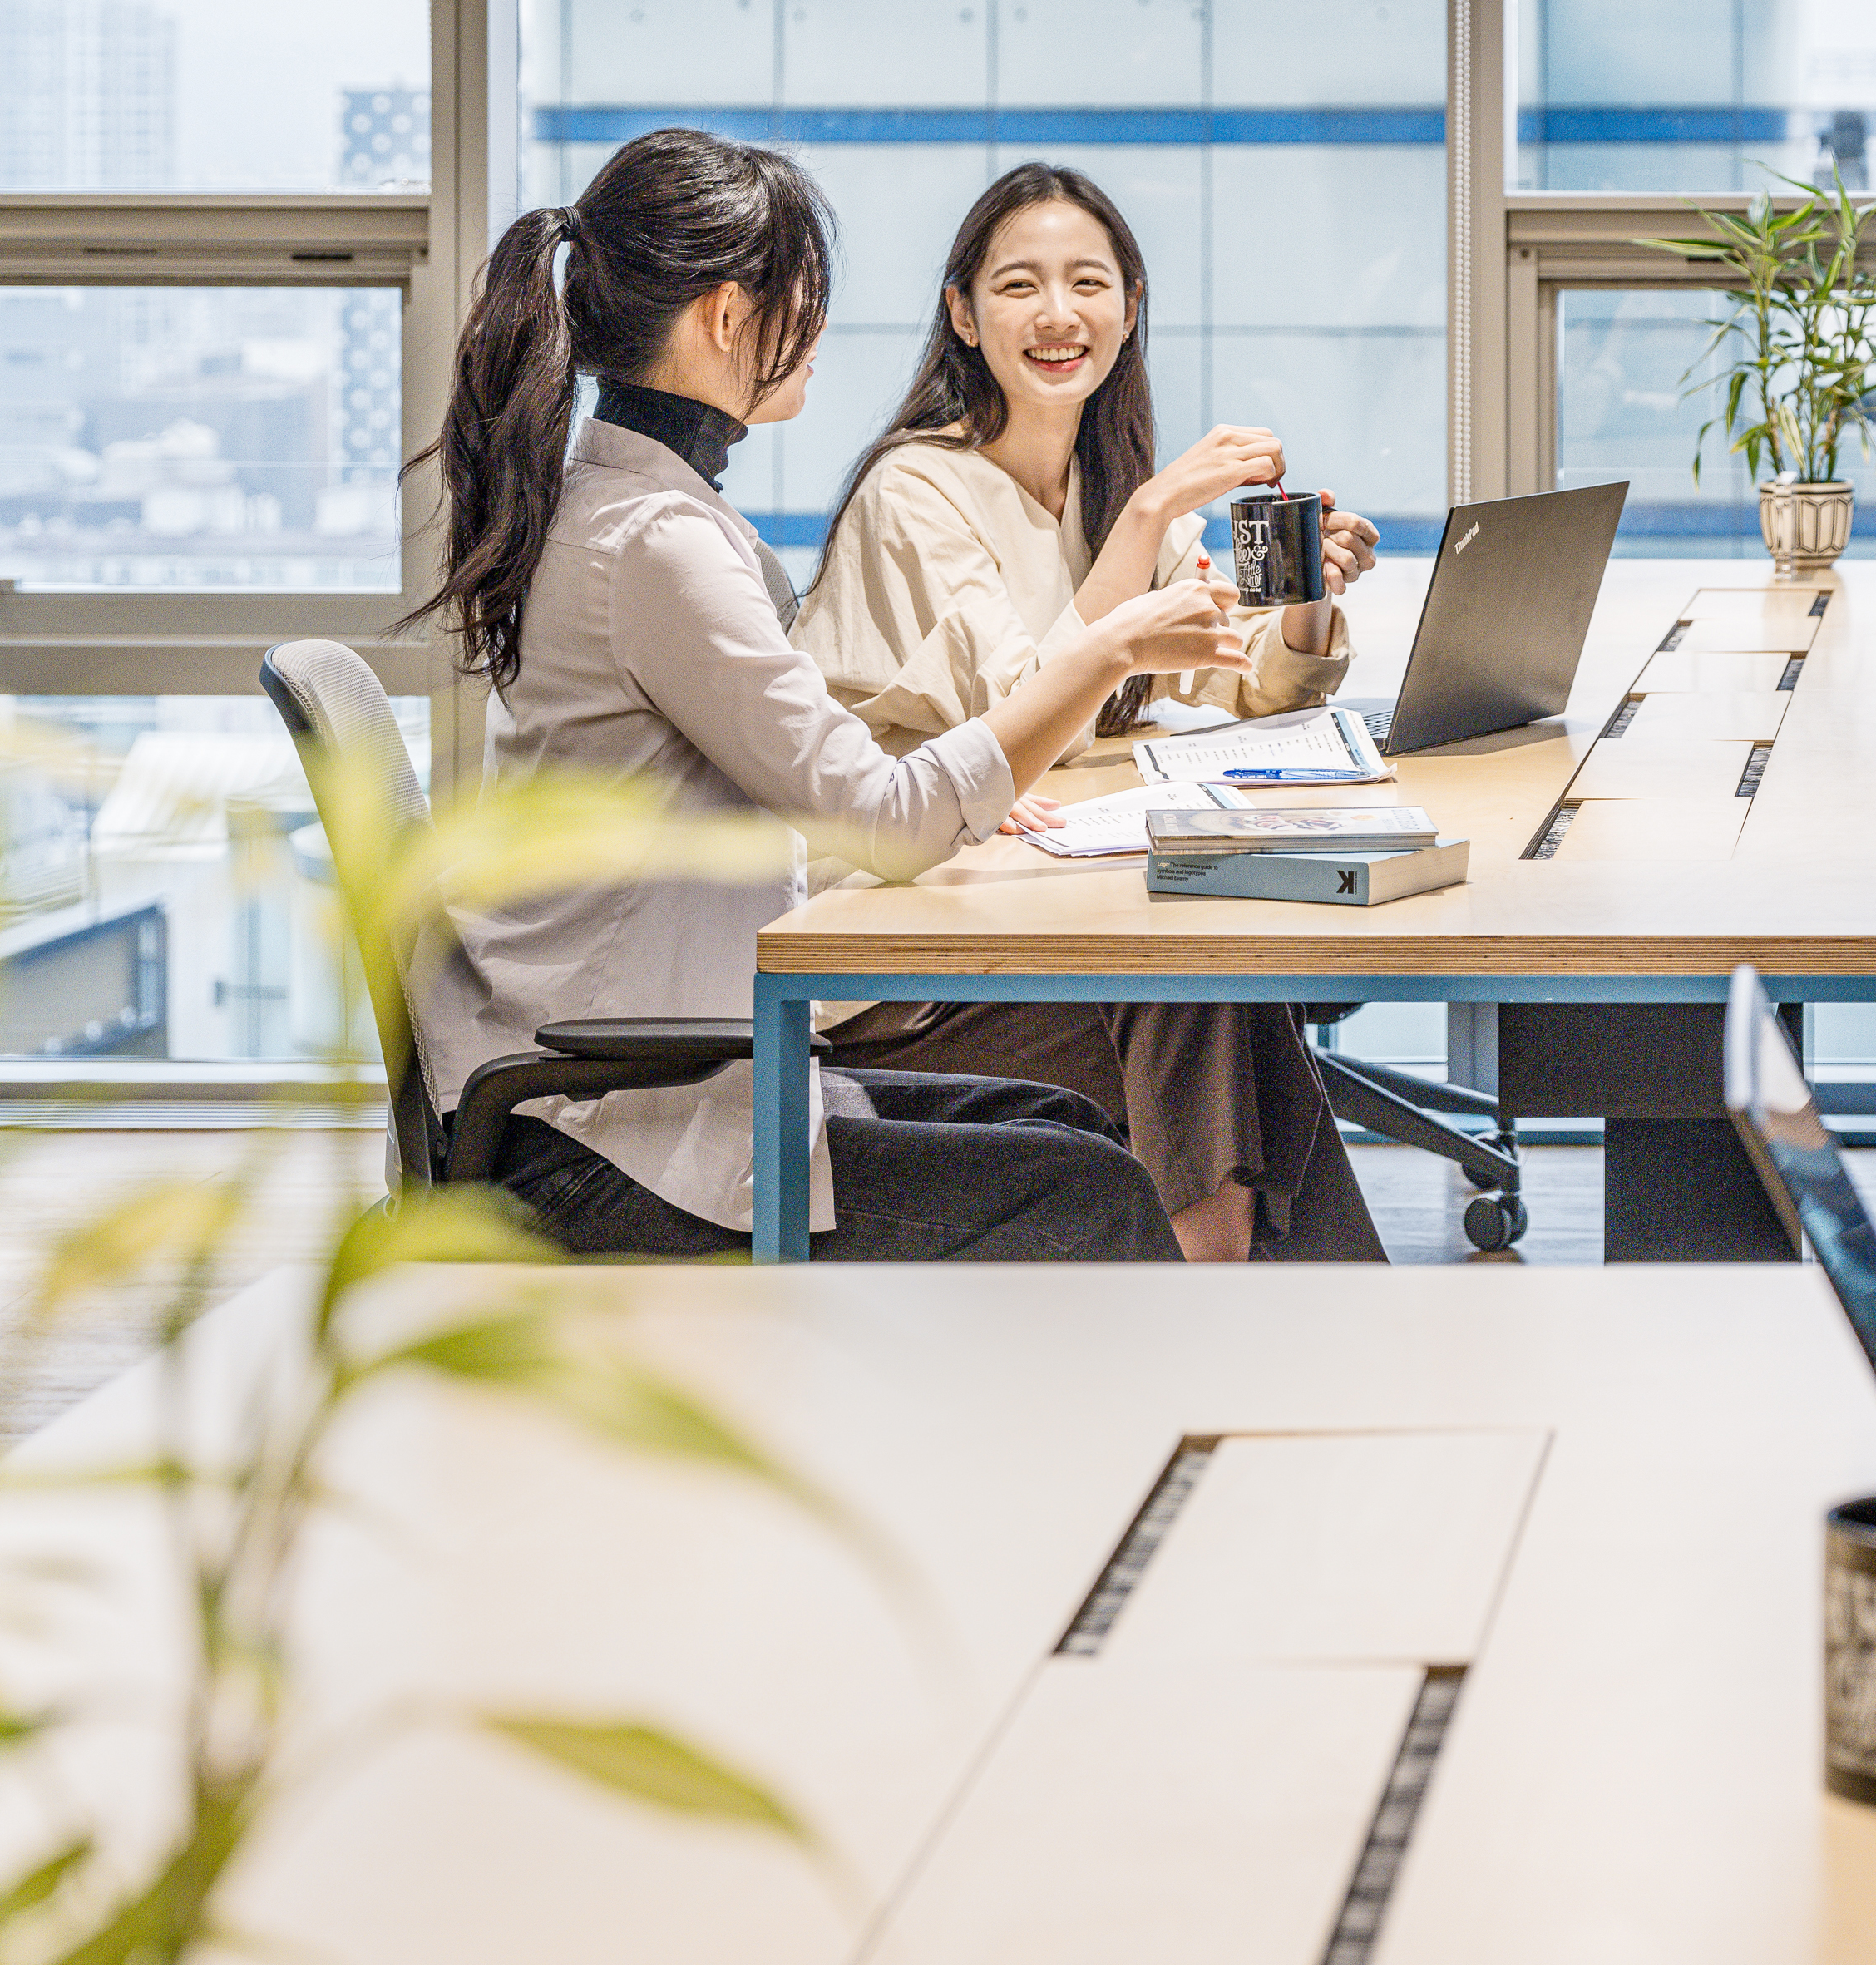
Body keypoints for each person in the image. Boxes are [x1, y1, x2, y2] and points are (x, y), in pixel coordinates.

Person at [408, 125, 1249, 1264]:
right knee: (1087, 1188)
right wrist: (1106, 652)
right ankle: (1179, 1414)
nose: (820, 327)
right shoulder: (660, 544)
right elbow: (885, 819)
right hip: (613, 1134)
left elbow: (823, 783)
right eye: (805, 296)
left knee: (1066, 1131)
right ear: (723, 316)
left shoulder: (632, 511)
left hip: (634, 1081)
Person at [792, 160, 1388, 1264]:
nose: (1059, 314)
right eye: (1020, 285)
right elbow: (1033, 709)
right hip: (897, 966)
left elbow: (1250, 673)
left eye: (1088, 283)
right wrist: (1157, 508)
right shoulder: (915, 492)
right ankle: (1233, 1291)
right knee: (1201, 985)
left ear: (1129, 306)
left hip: (1031, 916)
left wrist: (1306, 600)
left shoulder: (1110, 487)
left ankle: (1259, 1296)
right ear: (963, 315)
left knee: (1222, 988)